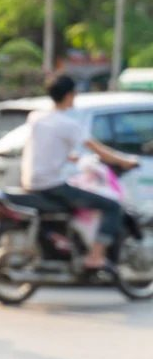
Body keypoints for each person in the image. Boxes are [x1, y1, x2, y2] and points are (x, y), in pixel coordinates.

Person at [21, 73, 141, 271]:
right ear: (69, 95)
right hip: (52, 186)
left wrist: (71, 157)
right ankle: (96, 256)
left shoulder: (36, 117)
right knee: (112, 206)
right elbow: (99, 150)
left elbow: (46, 147)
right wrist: (125, 161)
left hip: (30, 182)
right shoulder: (67, 124)